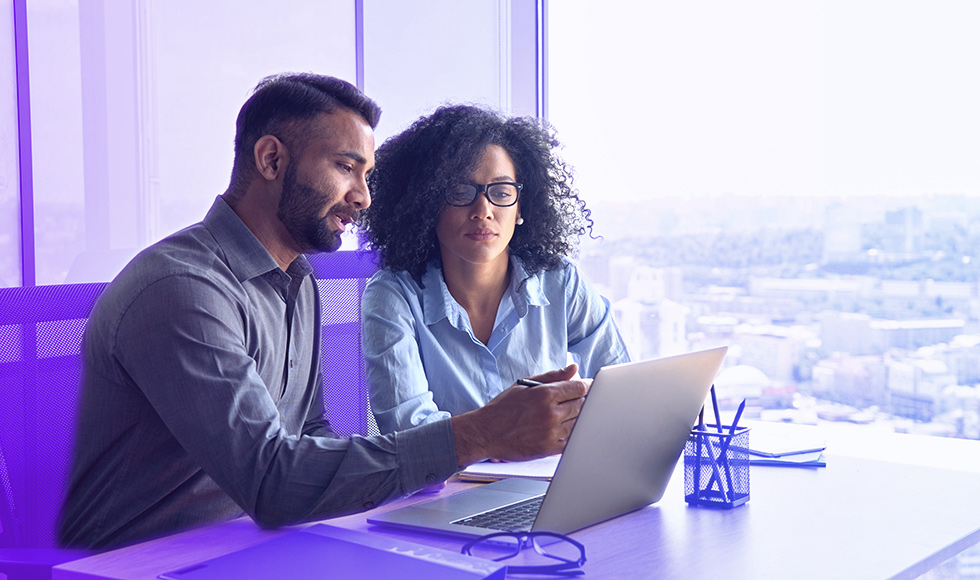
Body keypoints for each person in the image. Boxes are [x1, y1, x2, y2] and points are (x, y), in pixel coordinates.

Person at [58, 74, 588, 550]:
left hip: (259, 545)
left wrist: (427, 486)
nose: (363, 197)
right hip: (143, 560)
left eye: (367, 175)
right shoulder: (183, 289)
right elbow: (271, 481)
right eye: (345, 168)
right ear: (271, 160)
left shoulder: (298, 279)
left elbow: (309, 434)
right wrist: (477, 434)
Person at [359, 105, 629, 435]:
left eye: (501, 192)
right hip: (451, 486)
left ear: (520, 208)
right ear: (428, 204)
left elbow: (620, 393)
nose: (483, 210)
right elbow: (410, 433)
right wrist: (499, 436)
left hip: (554, 478)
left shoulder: (562, 282)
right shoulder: (392, 296)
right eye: (460, 191)